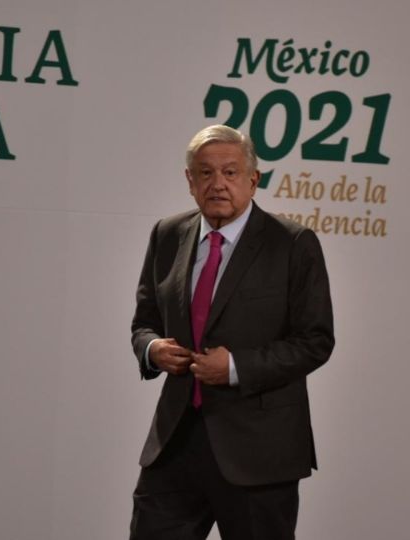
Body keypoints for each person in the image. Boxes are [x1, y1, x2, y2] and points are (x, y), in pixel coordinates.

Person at [128, 125, 335, 540]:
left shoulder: (292, 243)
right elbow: (144, 319)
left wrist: (236, 366)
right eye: (205, 173)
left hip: (259, 453)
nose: (217, 184)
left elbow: (315, 341)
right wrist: (152, 349)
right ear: (190, 181)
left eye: (230, 172)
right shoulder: (167, 234)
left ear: (253, 180)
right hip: (176, 443)